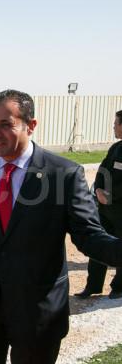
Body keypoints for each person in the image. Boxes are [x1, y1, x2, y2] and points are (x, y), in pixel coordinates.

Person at [0, 89, 122, 364]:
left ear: (31, 125)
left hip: (38, 314)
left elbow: (89, 235)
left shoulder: (64, 174)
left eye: (6, 124)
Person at [75, 109, 122, 299]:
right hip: (105, 209)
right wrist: (98, 190)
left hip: (119, 209)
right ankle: (93, 285)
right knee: (99, 245)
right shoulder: (116, 148)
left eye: (116, 123)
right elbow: (102, 170)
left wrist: (110, 196)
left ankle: (119, 287)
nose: (113, 127)